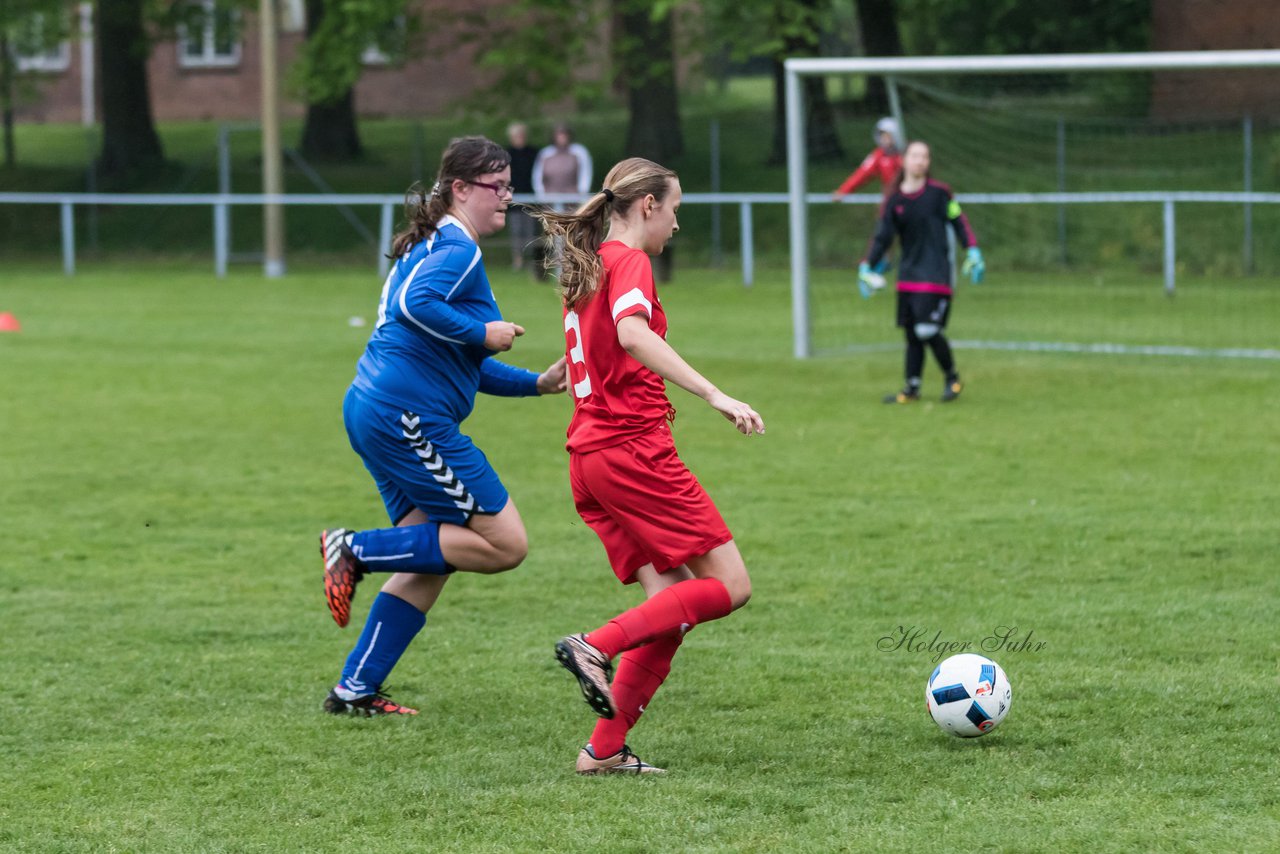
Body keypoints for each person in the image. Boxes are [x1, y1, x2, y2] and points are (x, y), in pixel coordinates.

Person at [320, 135, 568, 716]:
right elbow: (414, 305)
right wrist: (484, 332)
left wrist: (536, 382)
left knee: (433, 557)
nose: (507, 199)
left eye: (510, 186)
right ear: (460, 189)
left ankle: (353, 690)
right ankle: (350, 549)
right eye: (497, 187)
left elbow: (458, 363)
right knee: (505, 544)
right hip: (409, 417)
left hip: (378, 408)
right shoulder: (457, 249)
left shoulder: (437, 243)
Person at [535, 158, 765, 775]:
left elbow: (591, 348)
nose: (676, 225)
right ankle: (594, 645)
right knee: (730, 586)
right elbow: (632, 335)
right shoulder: (629, 260)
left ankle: (603, 752)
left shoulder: (589, 264)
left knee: (666, 613)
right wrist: (716, 395)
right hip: (632, 452)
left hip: (589, 460)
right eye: (674, 211)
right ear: (646, 208)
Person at [857, 139, 985, 405]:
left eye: (925, 156)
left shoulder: (940, 194)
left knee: (927, 330)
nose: (920, 161)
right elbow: (882, 238)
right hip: (908, 277)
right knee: (912, 334)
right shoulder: (895, 200)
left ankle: (952, 378)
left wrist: (972, 249)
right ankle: (911, 389)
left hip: (937, 275)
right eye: (915, 155)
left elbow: (959, 220)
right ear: (904, 160)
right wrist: (867, 265)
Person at [833, 117, 904, 276]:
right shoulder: (879, 156)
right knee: (883, 231)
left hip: (909, 201)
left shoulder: (906, 155)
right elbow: (862, 174)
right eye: (883, 136)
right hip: (890, 203)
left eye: (889, 136)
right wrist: (843, 191)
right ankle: (877, 263)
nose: (886, 140)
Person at [504, 122, 539, 272]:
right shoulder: (506, 154)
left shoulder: (534, 153)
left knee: (531, 230)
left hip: (531, 196)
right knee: (516, 230)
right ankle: (517, 259)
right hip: (513, 197)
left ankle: (532, 258)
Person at [532, 123, 593, 201]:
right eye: (559, 134)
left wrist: (582, 193)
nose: (562, 137)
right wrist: (541, 194)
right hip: (550, 199)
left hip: (573, 199)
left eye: (564, 134)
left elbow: (585, 173)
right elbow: (537, 176)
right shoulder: (545, 154)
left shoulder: (579, 152)